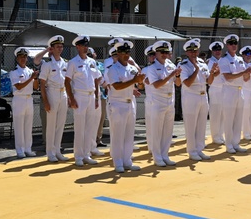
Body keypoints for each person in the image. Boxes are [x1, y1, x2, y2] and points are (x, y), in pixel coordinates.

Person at [104, 41, 144, 173]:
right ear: (118, 54)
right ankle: (118, 162)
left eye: (128, 52)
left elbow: (139, 86)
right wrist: (134, 81)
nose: (127, 55)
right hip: (117, 103)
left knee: (128, 134)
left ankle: (127, 160)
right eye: (123, 52)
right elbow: (117, 86)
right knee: (118, 134)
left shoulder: (131, 69)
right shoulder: (113, 69)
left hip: (129, 102)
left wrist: (140, 81)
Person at [64, 35, 102, 167]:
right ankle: (78, 156)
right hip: (79, 96)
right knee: (80, 128)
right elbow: (67, 81)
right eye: (83, 45)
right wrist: (71, 98)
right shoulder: (73, 62)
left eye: (87, 45)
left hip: (91, 96)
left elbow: (96, 80)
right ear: (77, 47)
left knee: (89, 127)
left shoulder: (92, 61)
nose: (86, 48)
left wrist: (97, 97)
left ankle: (87, 154)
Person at [143, 40, 180, 167]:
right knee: (157, 131)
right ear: (156, 53)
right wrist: (171, 76)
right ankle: (157, 156)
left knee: (167, 131)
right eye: (161, 52)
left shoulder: (171, 66)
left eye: (166, 52)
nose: (164, 54)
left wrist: (178, 76)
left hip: (170, 101)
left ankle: (165, 155)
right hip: (157, 102)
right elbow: (157, 84)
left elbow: (178, 83)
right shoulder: (152, 68)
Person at [179, 38, 217, 161]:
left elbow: (209, 82)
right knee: (191, 125)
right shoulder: (183, 65)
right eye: (190, 51)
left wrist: (212, 73)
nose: (193, 53)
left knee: (201, 124)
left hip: (203, 95)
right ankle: (191, 150)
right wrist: (195, 70)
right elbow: (187, 83)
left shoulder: (202, 63)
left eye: (195, 51)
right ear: (186, 52)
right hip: (191, 96)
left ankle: (199, 149)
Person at [219, 34, 251, 154]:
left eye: (235, 44)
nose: (233, 46)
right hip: (229, 91)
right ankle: (229, 144)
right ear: (227, 46)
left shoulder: (239, 59)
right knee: (229, 119)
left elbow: (245, 79)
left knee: (238, 119)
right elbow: (228, 77)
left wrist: (248, 73)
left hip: (240, 90)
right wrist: (244, 72)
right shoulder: (224, 60)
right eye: (231, 44)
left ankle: (236, 143)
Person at [39, 35, 69, 163]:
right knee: (51, 125)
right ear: (52, 49)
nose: (60, 49)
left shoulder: (65, 63)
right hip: (52, 92)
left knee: (61, 124)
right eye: (57, 47)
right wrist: (45, 101)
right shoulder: (47, 65)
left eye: (61, 46)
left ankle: (58, 150)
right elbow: (42, 84)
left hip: (63, 93)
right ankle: (50, 152)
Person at [9, 47, 38, 159]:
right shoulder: (14, 72)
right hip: (19, 99)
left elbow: (36, 87)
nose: (23, 59)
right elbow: (19, 87)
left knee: (28, 125)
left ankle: (28, 148)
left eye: (25, 57)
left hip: (29, 98)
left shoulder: (30, 71)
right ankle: (20, 150)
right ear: (17, 59)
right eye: (21, 57)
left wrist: (35, 79)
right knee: (19, 125)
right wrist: (31, 78)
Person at [207, 41, 226, 146]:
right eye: (215, 50)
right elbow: (211, 76)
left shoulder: (223, 61)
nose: (217, 52)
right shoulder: (211, 62)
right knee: (215, 114)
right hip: (215, 89)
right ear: (212, 51)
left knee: (222, 114)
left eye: (219, 50)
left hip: (223, 89)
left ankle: (220, 134)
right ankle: (215, 136)